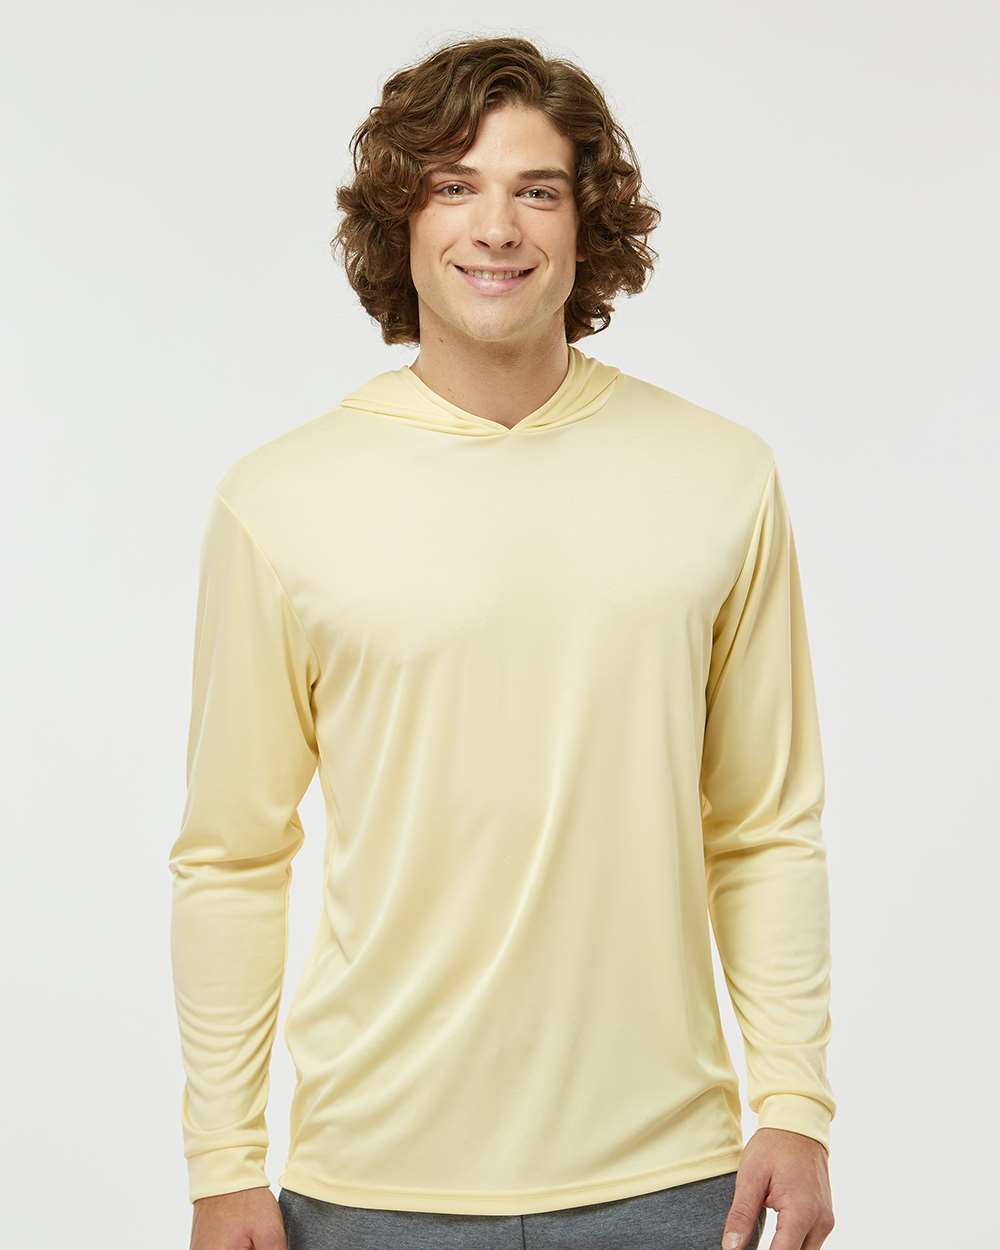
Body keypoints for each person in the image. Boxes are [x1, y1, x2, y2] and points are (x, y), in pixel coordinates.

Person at [168, 34, 837, 1250]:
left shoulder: (719, 476)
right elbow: (231, 855)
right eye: (453, 186)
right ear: (401, 220)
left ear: (587, 224)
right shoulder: (279, 501)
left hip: (669, 1179)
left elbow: (763, 824)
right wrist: (223, 1161)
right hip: (371, 1184)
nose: (496, 227)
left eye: (536, 189)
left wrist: (794, 1100)